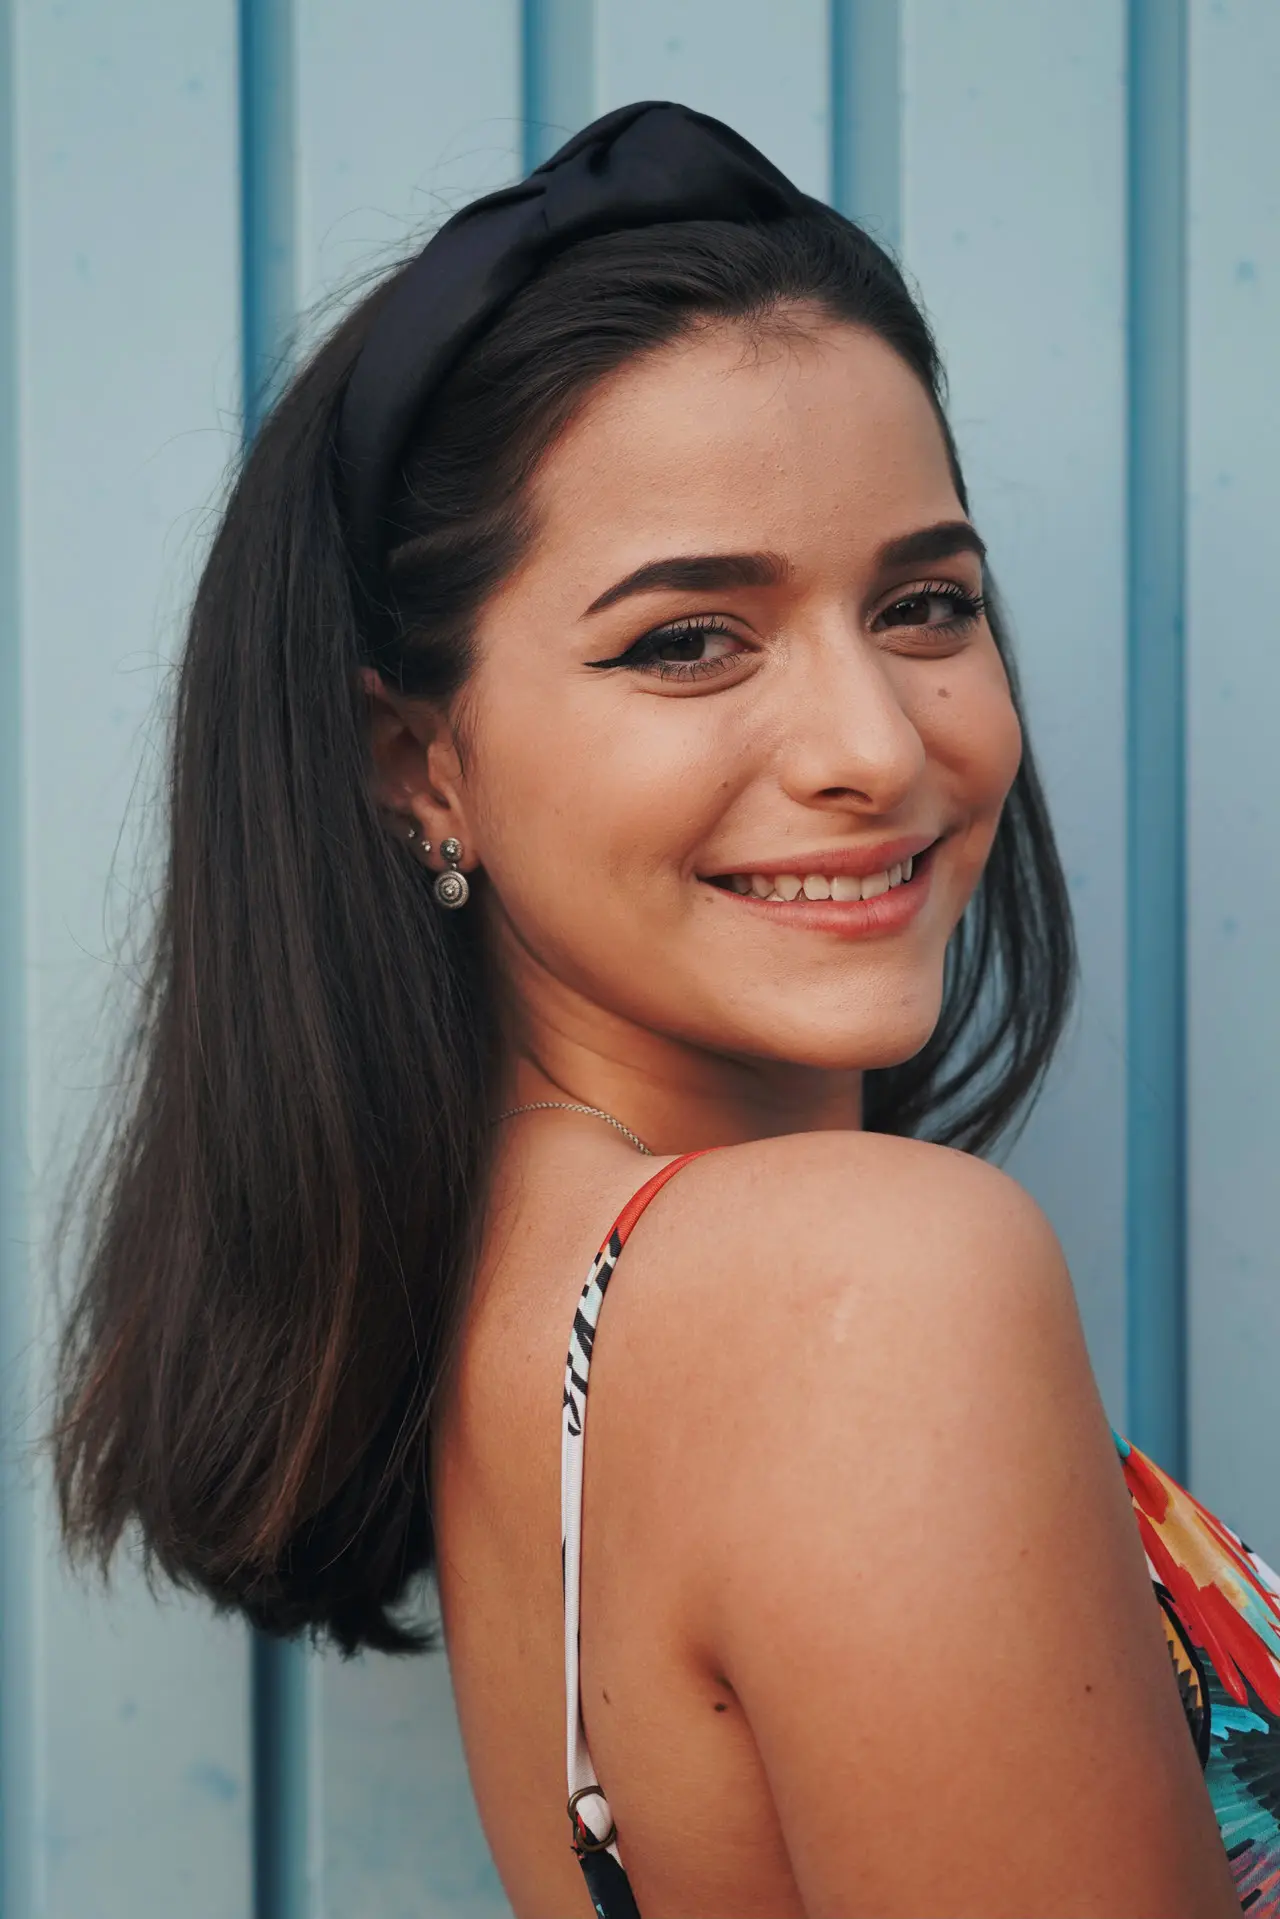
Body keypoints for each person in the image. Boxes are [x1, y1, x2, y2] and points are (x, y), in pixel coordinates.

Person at [54, 103, 1279, 1918]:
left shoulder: (542, 1308)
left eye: (926, 602)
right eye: (688, 639)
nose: (876, 747)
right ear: (420, 764)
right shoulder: (856, 1290)